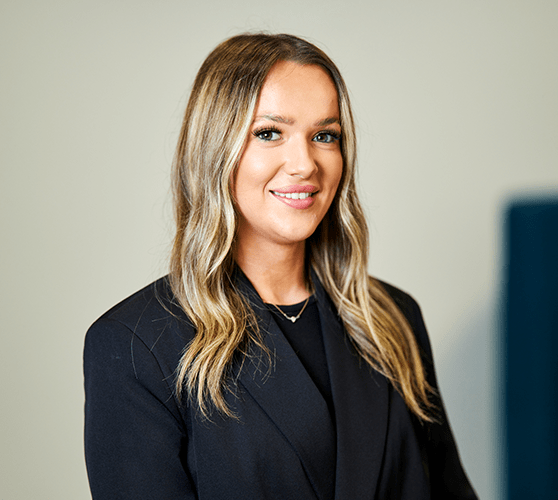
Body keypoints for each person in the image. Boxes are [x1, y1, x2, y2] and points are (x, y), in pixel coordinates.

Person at [84, 33, 478, 499]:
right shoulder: (135, 345)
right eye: (269, 133)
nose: (304, 163)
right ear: (216, 151)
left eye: (324, 136)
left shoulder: (393, 318)